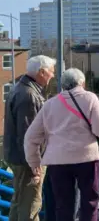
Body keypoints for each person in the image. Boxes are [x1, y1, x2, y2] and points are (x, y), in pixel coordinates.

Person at [24, 68, 99, 221]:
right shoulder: (90, 98)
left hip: (58, 161)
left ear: (62, 85)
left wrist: (34, 162)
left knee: (63, 205)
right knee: (90, 202)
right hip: (87, 159)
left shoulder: (50, 104)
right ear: (82, 83)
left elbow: (31, 136)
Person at [4, 55, 56, 221]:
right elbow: (29, 134)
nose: (53, 75)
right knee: (31, 203)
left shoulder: (19, 89)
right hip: (28, 161)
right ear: (41, 72)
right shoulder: (29, 96)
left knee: (19, 202)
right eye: (51, 71)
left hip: (18, 157)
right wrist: (35, 165)